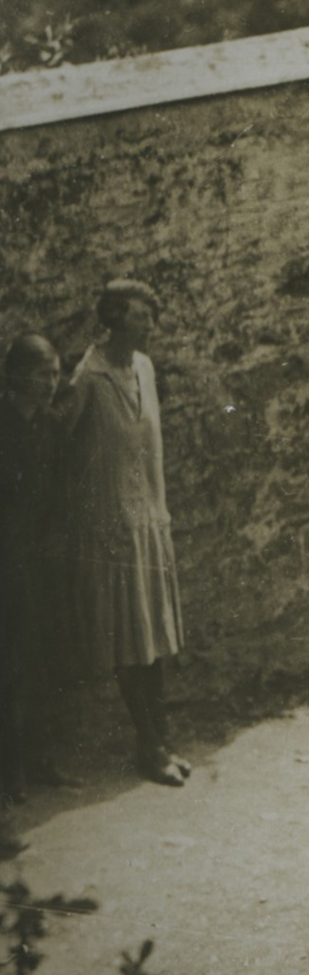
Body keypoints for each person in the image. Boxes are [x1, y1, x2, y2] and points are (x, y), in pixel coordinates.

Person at [57, 281, 190, 787]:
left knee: (153, 635)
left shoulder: (143, 368)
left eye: (150, 316)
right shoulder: (88, 378)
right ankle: (150, 746)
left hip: (149, 523)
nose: (148, 325)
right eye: (140, 316)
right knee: (132, 641)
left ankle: (160, 738)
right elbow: (59, 444)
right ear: (113, 320)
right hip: (111, 529)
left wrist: (161, 511)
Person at [0, 334, 82, 804]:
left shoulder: (52, 428)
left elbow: (61, 497)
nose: (52, 383)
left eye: (55, 373)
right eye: (42, 374)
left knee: (44, 660)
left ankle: (39, 757)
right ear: (17, 376)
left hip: (41, 564)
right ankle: (10, 769)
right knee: (9, 667)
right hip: (6, 564)